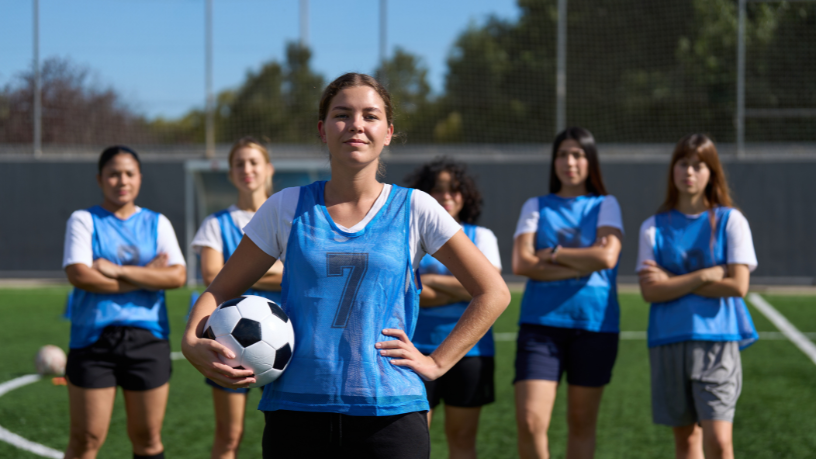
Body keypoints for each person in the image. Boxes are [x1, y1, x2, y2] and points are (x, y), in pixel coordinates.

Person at [182, 73, 511, 459]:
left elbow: (493, 291)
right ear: (322, 130)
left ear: (388, 132)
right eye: (342, 114)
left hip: (391, 412)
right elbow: (219, 290)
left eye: (370, 116)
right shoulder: (286, 206)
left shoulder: (417, 207)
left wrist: (437, 362)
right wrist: (191, 341)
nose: (356, 124)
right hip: (296, 411)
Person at [636, 134, 758, 459]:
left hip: (717, 341)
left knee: (718, 442)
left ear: (711, 172)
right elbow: (650, 291)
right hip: (668, 340)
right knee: (687, 442)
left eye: (698, 165)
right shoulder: (652, 227)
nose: (689, 172)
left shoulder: (732, 221)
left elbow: (738, 286)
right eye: (683, 163)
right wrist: (705, 275)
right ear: (673, 170)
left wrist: (672, 281)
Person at [62, 146, 186, 459]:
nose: (122, 180)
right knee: (86, 438)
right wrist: (147, 276)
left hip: (148, 339)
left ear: (139, 178)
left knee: (147, 438)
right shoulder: (84, 220)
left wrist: (116, 270)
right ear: (100, 178)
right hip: (93, 341)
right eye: (114, 173)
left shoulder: (158, 223)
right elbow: (80, 275)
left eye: (129, 173)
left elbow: (176, 277)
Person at [512, 127, 624, 459]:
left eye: (577, 154)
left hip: (594, 327)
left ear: (590, 161)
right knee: (531, 423)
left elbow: (607, 257)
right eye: (562, 154)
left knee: (581, 422)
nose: (569, 162)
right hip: (540, 325)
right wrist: (582, 263)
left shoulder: (605, 204)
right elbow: (521, 263)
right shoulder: (536, 205)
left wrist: (554, 254)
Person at [190, 137, 284, 459]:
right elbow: (213, 279)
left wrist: (238, 267)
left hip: (284, 338)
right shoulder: (215, 224)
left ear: (268, 169)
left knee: (290, 433)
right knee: (229, 436)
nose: (247, 169)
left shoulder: (287, 218)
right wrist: (276, 269)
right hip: (227, 340)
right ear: (230, 173)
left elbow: (299, 274)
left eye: (254, 162)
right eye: (239, 163)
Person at [406, 158, 502, 459]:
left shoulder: (481, 236)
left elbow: (491, 291)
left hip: (470, 352)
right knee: (414, 442)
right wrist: (465, 289)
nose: (447, 196)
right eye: (437, 189)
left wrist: (432, 281)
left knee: (462, 441)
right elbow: (410, 293)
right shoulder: (411, 236)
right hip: (415, 350)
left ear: (466, 195)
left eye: (455, 189)